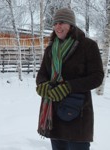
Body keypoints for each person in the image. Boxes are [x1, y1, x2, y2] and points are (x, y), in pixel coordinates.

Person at [36, 8, 104, 150]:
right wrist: (42, 85)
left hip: (77, 112)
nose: (57, 27)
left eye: (62, 23)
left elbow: (97, 77)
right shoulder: (51, 49)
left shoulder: (87, 46)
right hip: (53, 113)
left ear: (71, 25)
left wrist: (68, 87)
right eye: (55, 23)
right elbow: (42, 74)